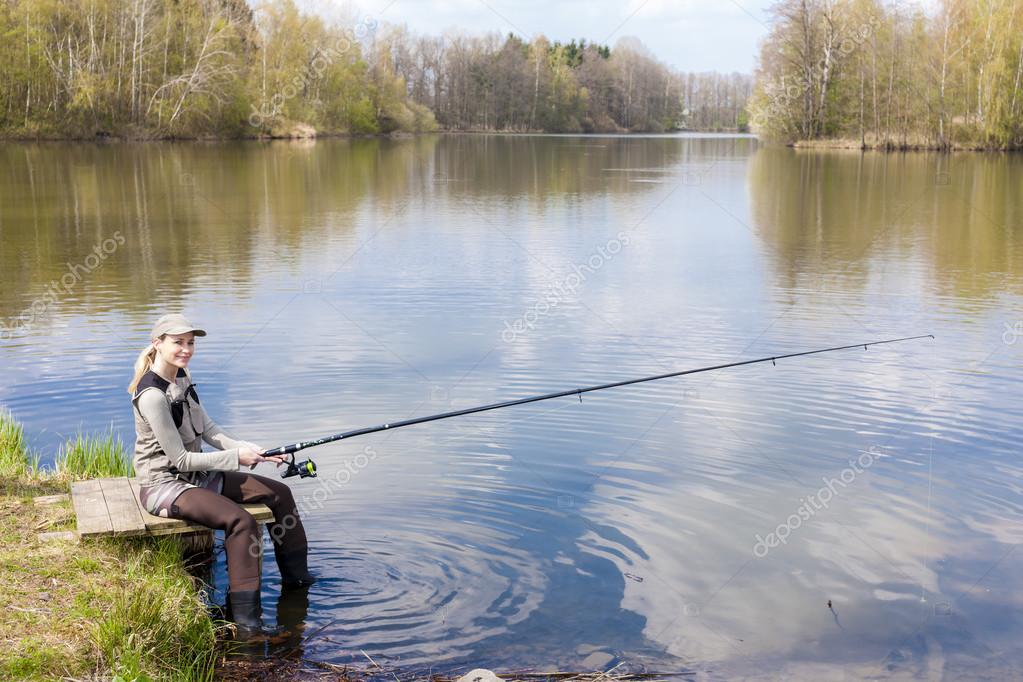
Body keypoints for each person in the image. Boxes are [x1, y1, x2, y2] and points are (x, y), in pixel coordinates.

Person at [129, 313, 314, 638]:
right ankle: (247, 623)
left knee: (280, 495)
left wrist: (255, 450)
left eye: (190, 342)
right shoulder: (152, 396)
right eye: (178, 342)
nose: (185, 349)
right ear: (157, 343)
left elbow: (210, 430)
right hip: (165, 486)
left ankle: (298, 584)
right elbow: (181, 460)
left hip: (199, 477)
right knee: (240, 521)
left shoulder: (181, 377)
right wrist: (236, 459)